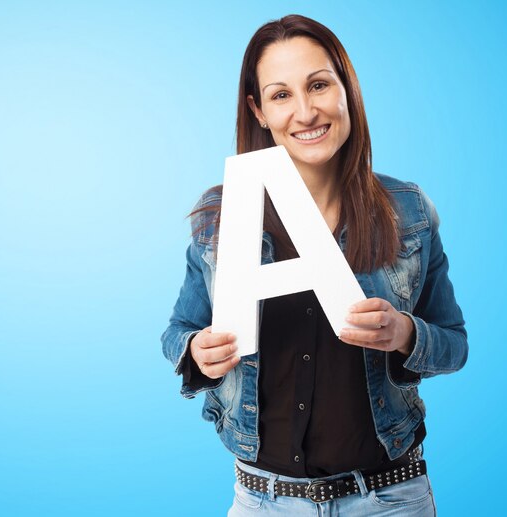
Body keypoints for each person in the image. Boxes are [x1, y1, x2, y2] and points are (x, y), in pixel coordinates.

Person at [161, 14, 467, 516]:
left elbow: (453, 343)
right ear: (258, 110)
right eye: (281, 95)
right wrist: (195, 351)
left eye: (319, 85)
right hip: (263, 502)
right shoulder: (222, 216)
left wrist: (404, 334)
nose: (305, 111)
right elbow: (179, 330)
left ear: (347, 90)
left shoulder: (409, 210)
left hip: (389, 500)